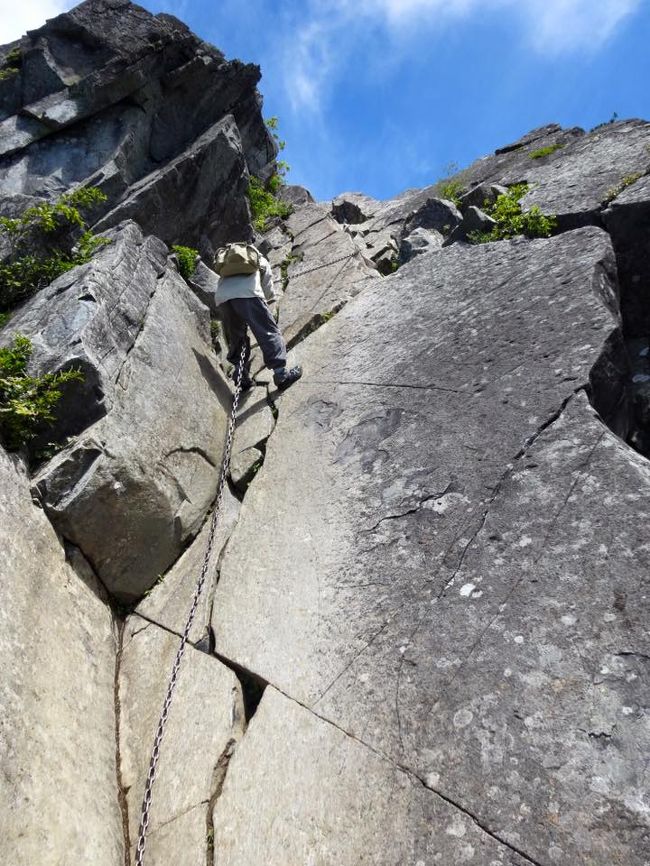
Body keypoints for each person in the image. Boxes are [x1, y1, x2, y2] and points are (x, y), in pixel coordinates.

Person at [213, 244, 302, 391]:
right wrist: (266, 300)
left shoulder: (227, 264)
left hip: (223, 299)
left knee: (236, 338)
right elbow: (267, 285)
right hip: (249, 295)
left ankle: (242, 378)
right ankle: (281, 376)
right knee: (267, 331)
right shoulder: (258, 258)